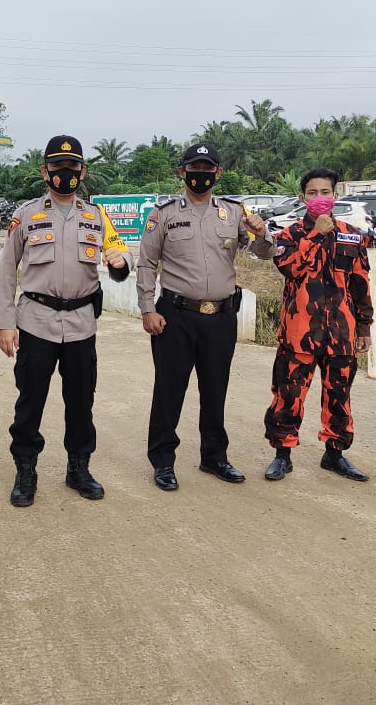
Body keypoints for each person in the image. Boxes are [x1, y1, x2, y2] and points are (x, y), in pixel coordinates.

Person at [0, 135, 133, 507]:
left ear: (83, 171)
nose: (65, 173)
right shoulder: (25, 215)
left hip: (81, 324)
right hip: (35, 321)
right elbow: (8, 271)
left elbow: (117, 249)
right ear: (45, 172)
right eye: (57, 167)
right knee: (30, 401)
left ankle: (78, 468)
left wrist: (121, 262)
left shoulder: (95, 215)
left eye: (72, 167)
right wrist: (4, 323)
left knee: (81, 401)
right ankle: (26, 470)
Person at [137, 142, 275, 490]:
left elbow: (263, 253)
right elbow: (147, 262)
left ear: (218, 173)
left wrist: (262, 233)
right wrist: (147, 308)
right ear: (182, 172)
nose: (201, 175)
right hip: (175, 316)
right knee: (169, 391)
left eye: (207, 168)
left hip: (221, 317)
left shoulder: (234, 213)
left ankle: (214, 457)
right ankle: (163, 461)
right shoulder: (164, 213)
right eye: (193, 168)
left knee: (216, 390)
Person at [262, 167, 374, 483]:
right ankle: (282, 455)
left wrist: (364, 326)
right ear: (302, 198)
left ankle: (335, 454)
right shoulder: (289, 236)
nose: (319, 198)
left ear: (335, 197)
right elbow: (289, 268)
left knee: (339, 395)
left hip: (341, 333)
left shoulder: (352, 235)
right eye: (313, 193)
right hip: (299, 334)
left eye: (325, 192)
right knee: (288, 394)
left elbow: (360, 282)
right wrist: (316, 234)